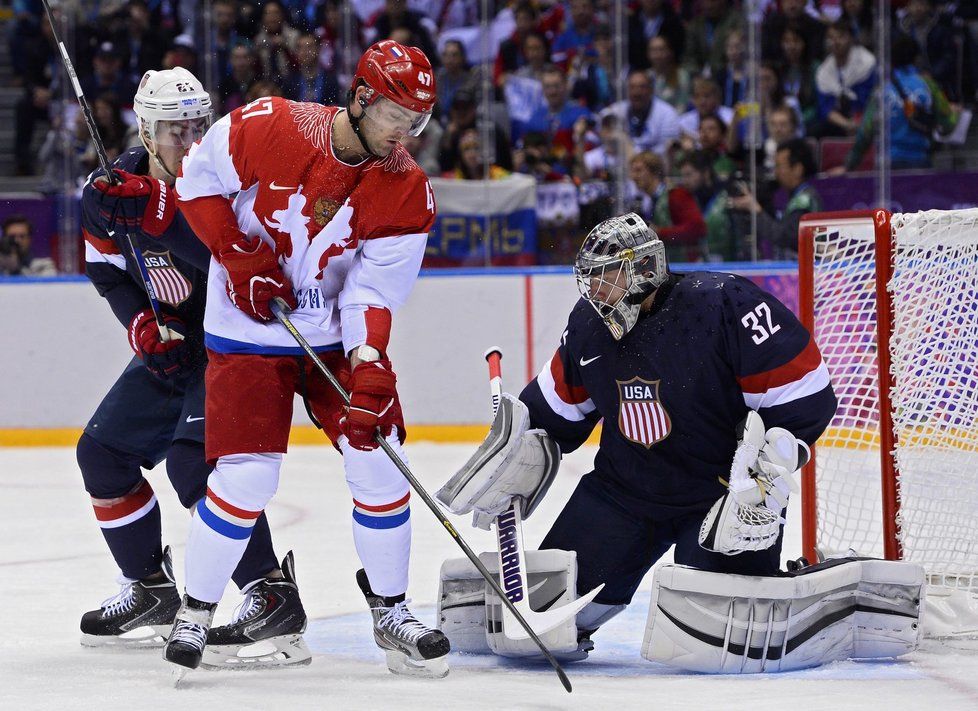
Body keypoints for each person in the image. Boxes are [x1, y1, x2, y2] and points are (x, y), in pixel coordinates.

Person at [166, 40, 451, 677]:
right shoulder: (270, 126)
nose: (408, 134)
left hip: (331, 334)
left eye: (418, 122)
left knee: (379, 456)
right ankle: (195, 611)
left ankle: (392, 610)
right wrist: (240, 257)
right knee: (246, 478)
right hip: (245, 331)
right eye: (398, 116)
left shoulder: (405, 187)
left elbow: (371, 290)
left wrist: (371, 361)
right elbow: (195, 180)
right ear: (361, 97)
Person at [438, 212, 837, 661]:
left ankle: (809, 580)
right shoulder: (589, 326)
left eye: (604, 277)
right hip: (624, 492)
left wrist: (767, 477)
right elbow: (554, 415)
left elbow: (806, 394)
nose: (593, 291)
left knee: (720, 643)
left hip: (721, 497)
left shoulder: (724, 304)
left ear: (645, 269)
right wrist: (515, 452)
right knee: (550, 621)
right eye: (587, 280)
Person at [76, 67, 310, 668]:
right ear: (146, 131)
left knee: (192, 463)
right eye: (173, 130)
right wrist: (140, 325)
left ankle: (270, 594)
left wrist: (162, 211)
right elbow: (106, 270)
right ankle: (150, 588)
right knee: (101, 453)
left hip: (234, 349)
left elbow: (227, 262)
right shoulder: (109, 191)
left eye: (196, 126)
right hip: (173, 349)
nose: (188, 141)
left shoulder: (227, 182)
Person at [727, 137, 822, 258]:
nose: (775, 173)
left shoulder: (804, 200)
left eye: (779, 166)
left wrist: (755, 209)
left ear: (797, 169)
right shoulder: (797, 197)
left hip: (801, 272)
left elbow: (786, 238)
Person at [814, 20, 875, 137]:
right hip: (841, 123)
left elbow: (872, 100)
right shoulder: (823, 71)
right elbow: (825, 109)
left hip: (867, 119)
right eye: (831, 37)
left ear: (851, 39)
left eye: (841, 37)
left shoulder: (867, 63)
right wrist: (847, 125)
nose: (835, 42)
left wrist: (859, 123)